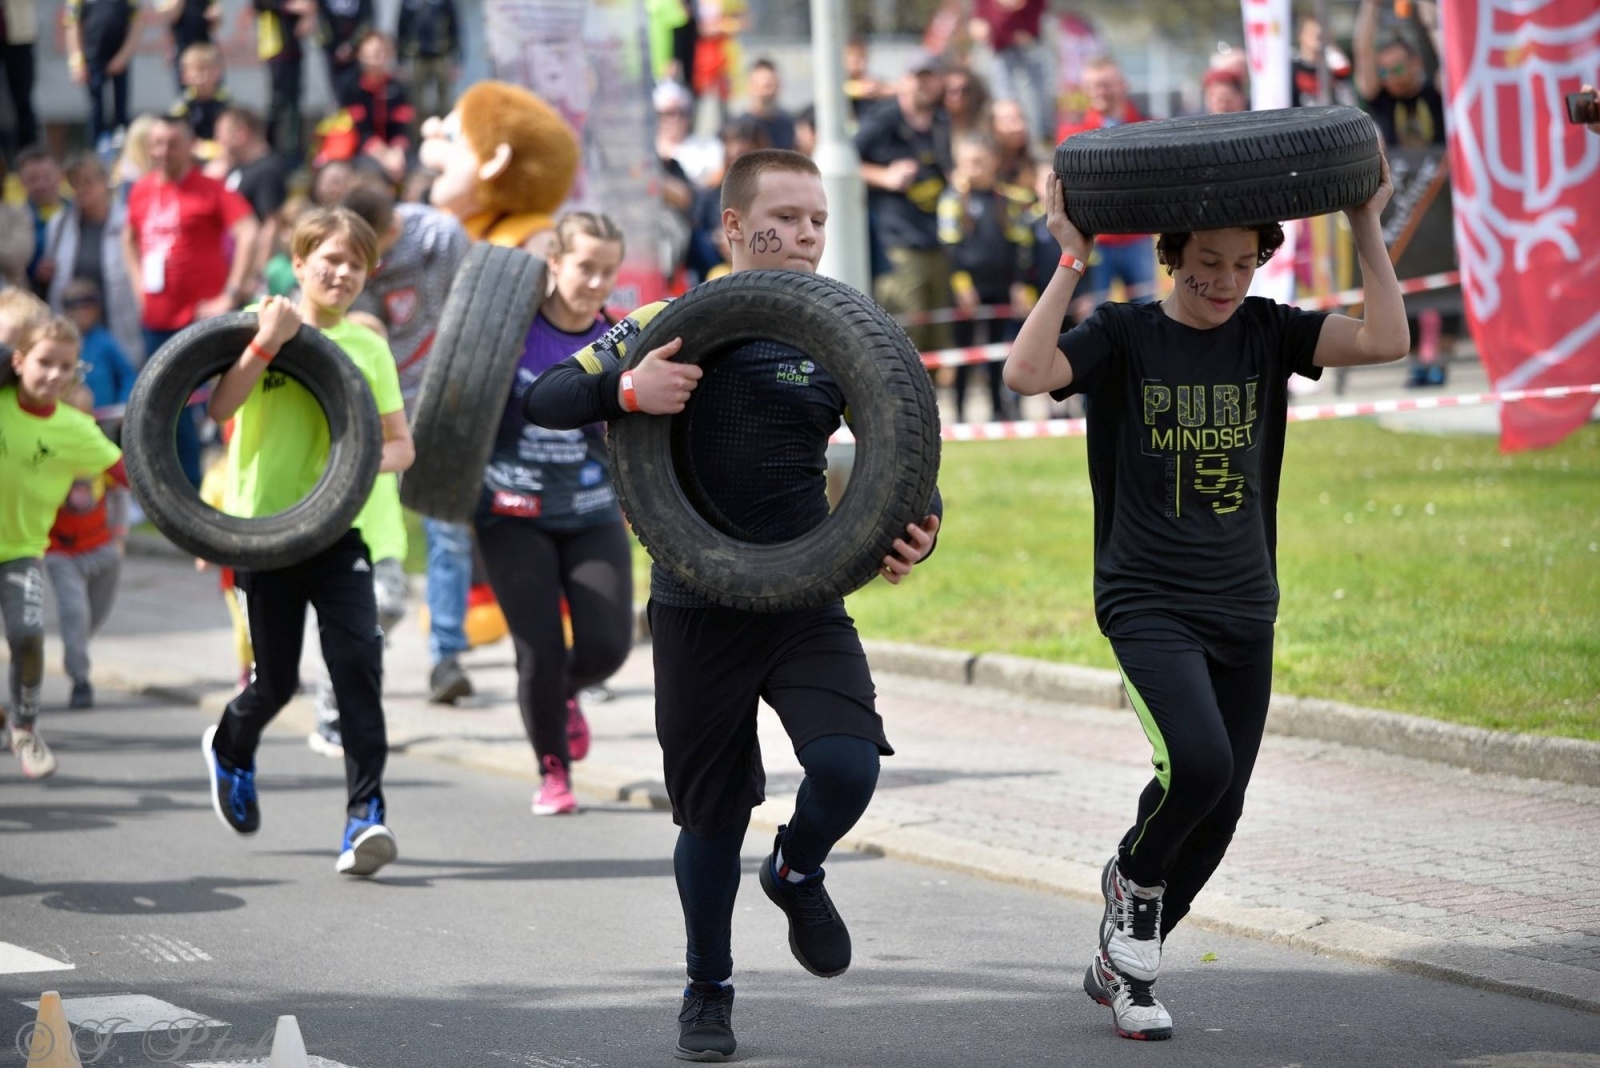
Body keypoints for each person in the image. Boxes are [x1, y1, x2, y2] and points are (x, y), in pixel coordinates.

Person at [522, 149, 941, 1062]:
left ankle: (795, 868)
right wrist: (627, 389)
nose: (803, 236)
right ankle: (707, 987)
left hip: (802, 594)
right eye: (783, 219)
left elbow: (903, 451)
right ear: (733, 228)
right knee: (708, 817)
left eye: (817, 221)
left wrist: (916, 530)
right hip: (696, 600)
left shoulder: (846, 335)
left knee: (848, 767)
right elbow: (548, 394)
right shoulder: (667, 324)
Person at [1002, 155, 1406, 1041]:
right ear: (1171, 252)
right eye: (1209, 260)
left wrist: (1365, 224)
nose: (1226, 279)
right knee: (1200, 764)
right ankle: (1134, 892)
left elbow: (1387, 344)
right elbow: (1027, 375)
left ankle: (1126, 970)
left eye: (1244, 261)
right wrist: (1070, 255)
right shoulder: (1122, 335)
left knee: (1217, 815)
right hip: (1147, 599)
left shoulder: (1268, 330)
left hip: (1243, 603)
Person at [200, 206, 414, 877]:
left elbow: (401, 445)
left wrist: (351, 469)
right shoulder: (256, 324)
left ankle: (365, 817)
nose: (342, 271)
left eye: (356, 263)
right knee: (277, 683)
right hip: (264, 531)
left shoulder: (368, 346)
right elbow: (218, 407)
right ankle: (231, 747)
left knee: (357, 668)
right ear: (299, 262)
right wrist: (265, 342)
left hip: (336, 533)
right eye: (330, 257)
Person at [472, 212, 634, 812]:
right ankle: (553, 770)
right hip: (511, 510)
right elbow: (456, 409)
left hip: (591, 508)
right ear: (556, 264)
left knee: (608, 646)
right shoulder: (510, 332)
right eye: (585, 267)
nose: (595, 281)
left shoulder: (621, 339)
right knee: (537, 650)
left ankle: (562, 694)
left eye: (607, 271)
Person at [337, 178, 475, 714]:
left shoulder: (440, 235)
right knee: (372, 530)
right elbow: (364, 320)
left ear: (394, 226)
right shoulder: (355, 254)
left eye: (379, 248)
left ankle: (446, 657)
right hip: (387, 407)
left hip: (449, 400)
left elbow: (479, 298)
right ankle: (363, 641)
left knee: (449, 532)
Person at [0, 309, 125, 779]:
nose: (54, 374)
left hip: (20, 550)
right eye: (44, 362)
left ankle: (25, 729)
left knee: (28, 635)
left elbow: (131, 477)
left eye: (66, 366)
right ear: (18, 361)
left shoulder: (76, 430)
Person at [122, 113, 258, 488]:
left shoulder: (210, 189)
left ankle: (210, 487)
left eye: (172, 143)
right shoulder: (141, 189)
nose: (162, 151)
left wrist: (230, 293)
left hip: (200, 321)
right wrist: (138, 287)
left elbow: (248, 231)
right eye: (156, 143)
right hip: (156, 319)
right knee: (164, 407)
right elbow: (129, 237)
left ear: (191, 146)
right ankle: (176, 488)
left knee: (212, 406)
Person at [855, 51, 955, 354]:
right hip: (897, 243)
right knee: (904, 334)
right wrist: (884, 175)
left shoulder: (942, 121)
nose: (923, 85)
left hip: (938, 240)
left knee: (937, 337)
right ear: (904, 81)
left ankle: (929, 401)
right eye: (917, 77)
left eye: (929, 78)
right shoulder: (884, 117)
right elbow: (842, 162)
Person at [937, 132, 1032, 424]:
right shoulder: (952, 200)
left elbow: (1018, 244)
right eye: (968, 162)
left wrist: (1019, 285)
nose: (974, 168)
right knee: (965, 352)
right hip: (967, 289)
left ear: (992, 163)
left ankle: (998, 410)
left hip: (1000, 286)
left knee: (997, 353)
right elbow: (949, 247)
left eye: (979, 162)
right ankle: (961, 413)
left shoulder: (1006, 199)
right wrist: (963, 287)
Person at [45, 382, 125, 711]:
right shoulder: (50, 452)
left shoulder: (97, 451)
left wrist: (119, 537)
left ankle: (76, 643)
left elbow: (119, 493)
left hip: (102, 548)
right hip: (60, 552)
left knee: (94, 614)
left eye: (87, 416)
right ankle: (81, 679)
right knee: (75, 612)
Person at [1056, 56, 1156, 316]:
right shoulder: (1072, 133)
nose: (1101, 92)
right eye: (1094, 85)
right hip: (1095, 243)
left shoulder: (1148, 127)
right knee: (1094, 319)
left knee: (1148, 314)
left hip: (1138, 237)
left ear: (1123, 85)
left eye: (1107, 84)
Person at [45, 153, 144, 368]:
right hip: (74, 330)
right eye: (74, 184)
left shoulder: (129, 221)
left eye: (88, 181)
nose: (81, 189)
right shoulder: (59, 224)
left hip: (121, 326)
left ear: (104, 182)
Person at [1354, 0, 1445, 148]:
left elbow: (1450, 63)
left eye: (1397, 69)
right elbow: (1363, 53)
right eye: (1383, 72)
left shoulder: (1436, 92)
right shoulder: (1380, 98)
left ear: (1416, 63)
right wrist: (1370, 4)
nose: (1391, 77)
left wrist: (1432, 23)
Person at [968, 0, 1053, 145]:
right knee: (1000, 106)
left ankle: (1038, 146)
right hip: (995, 53)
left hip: (1027, 52)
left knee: (1033, 107)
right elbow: (979, 25)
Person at [65, 0, 142, 152]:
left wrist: (123, 56)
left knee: (121, 107)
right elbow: (72, 25)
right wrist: (77, 62)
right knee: (95, 108)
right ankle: (94, 151)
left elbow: (138, 22)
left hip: (119, 58)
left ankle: (123, 152)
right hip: (92, 58)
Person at [339, 31, 414, 185]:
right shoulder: (351, 87)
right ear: (361, 55)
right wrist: (385, 157)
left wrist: (397, 153)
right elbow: (361, 131)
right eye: (371, 53)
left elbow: (401, 127)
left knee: (416, 171)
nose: (377, 57)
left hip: (394, 150)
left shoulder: (397, 87)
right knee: (372, 174)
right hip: (362, 151)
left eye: (381, 51)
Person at [60, 278, 137, 413]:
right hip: (71, 416)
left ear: (96, 309)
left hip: (106, 415)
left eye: (86, 306)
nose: (81, 312)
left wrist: (124, 404)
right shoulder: (62, 343)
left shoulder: (105, 341)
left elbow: (127, 375)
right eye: (74, 306)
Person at [253, 0, 315, 157]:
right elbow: (260, 4)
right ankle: (268, 145)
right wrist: (289, 7)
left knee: (295, 99)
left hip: (294, 46)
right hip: (276, 46)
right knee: (278, 99)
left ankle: (294, 150)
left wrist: (307, 15)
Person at [396, 0, 460, 126]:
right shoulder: (408, 2)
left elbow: (455, 28)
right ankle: (419, 137)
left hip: (441, 55)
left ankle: (446, 133)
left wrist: (457, 61)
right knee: (416, 100)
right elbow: (401, 29)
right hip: (416, 56)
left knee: (445, 100)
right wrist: (401, 60)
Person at [17, 148, 68, 301]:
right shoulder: (14, 220)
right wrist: (34, 270)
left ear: (60, 176)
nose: (41, 185)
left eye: (47, 176)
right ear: (21, 182)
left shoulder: (79, 213)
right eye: (32, 179)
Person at [172, 42, 233, 155]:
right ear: (185, 76)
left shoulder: (226, 103)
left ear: (218, 73)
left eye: (208, 70)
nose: (203, 76)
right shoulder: (183, 105)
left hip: (220, 154)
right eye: (197, 71)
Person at [317, 0, 375, 102]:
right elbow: (320, 18)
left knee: (359, 89)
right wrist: (331, 46)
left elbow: (367, 19)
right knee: (338, 90)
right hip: (333, 51)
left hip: (358, 51)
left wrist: (352, 45)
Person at [739, 57, 795, 151]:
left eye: (769, 86)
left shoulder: (790, 126)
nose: (765, 93)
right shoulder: (737, 128)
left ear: (778, 86)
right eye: (760, 86)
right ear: (750, 87)